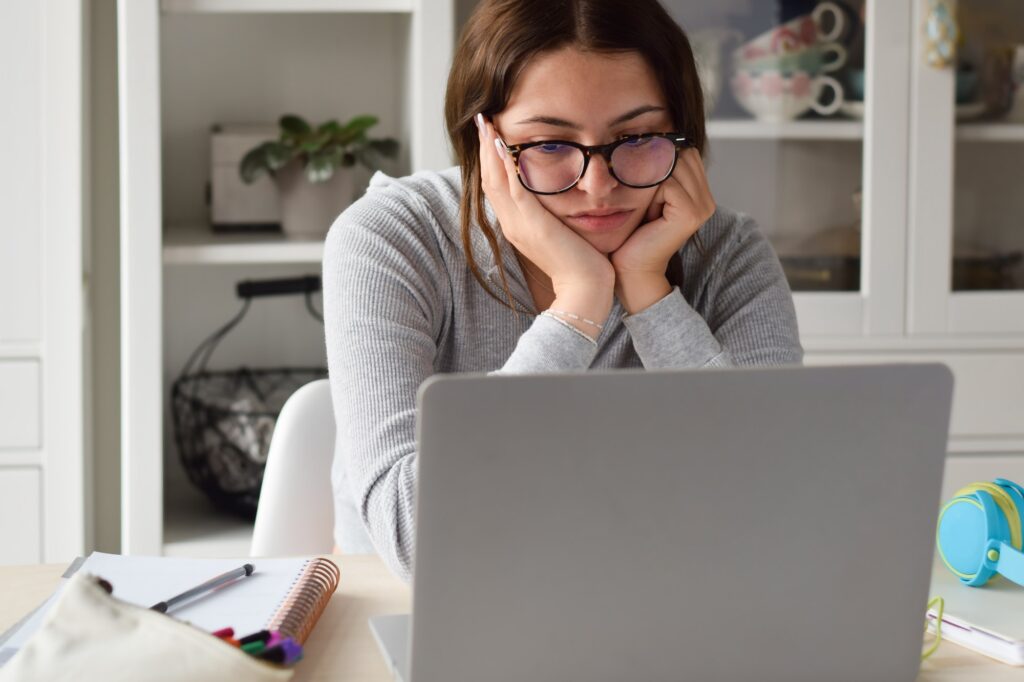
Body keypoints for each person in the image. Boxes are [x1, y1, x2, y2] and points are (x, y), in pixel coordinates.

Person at [323, 0, 803, 581]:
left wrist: (650, 292)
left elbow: (776, 505)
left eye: (637, 136)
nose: (599, 187)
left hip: (658, 600)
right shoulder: (391, 238)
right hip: (424, 613)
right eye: (550, 146)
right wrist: (578, 302)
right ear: (485, 144)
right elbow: (414, 538)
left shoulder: (728, 252)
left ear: (684, 138)